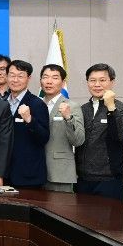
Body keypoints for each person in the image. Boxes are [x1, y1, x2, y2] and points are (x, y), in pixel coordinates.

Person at [75, 63, 123, 200]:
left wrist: (111, 108)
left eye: (102, 80)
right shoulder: (82, 109)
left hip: (110, 180)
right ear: (87, 83)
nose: (97, 84)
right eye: (92, 80)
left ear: (112, 82)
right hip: (83, 179)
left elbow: (120, 135)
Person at [40, 64, 85, 192]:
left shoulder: (72, 106)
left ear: (63, 82)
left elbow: (79, 140)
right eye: (45, 77)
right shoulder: (35, 105)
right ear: (40, 81)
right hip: (35, 171)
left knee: (59, 205)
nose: (49, 81)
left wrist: (68, 118)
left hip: (60, 172)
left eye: (55, 78)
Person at [6, 60, 49, 188]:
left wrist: (30, 120)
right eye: (12, 75)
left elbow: (44, 137)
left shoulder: (37, 104)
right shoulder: (1, 103)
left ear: (28, 78)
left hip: (28, 175)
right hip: (5, 174)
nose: (15, 80)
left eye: (20, 76)